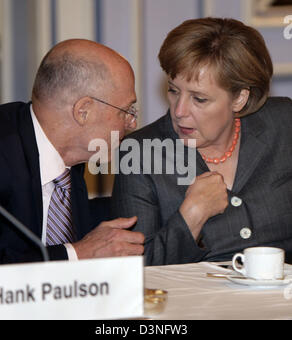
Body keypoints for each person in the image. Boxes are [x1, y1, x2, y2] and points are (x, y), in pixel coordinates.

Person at [111, 17, 292, 266]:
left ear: (239, 98)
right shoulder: (139, 154)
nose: (179, 111)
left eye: (199, 99)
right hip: (197, 303)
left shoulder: (283, 124)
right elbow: (135, 270)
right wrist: (192, 216)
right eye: (174, 91)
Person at [0, 39, 144, 264]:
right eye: (125, 111)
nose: (132, 124)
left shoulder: (70, 155)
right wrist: (76, 254)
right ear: (83, 111)